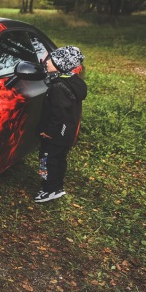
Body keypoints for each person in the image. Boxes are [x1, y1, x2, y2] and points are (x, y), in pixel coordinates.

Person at [35, 46, 88, 203]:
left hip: (54, 134)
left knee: (46, 160)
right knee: (59, 159)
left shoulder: (58, 87)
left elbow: (57, 114)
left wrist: (48, 132)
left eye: (51, 60)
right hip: (66, 133)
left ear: (62, 65)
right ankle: (57, 186)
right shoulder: (73, 83)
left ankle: (48, 189)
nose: (47, 62)